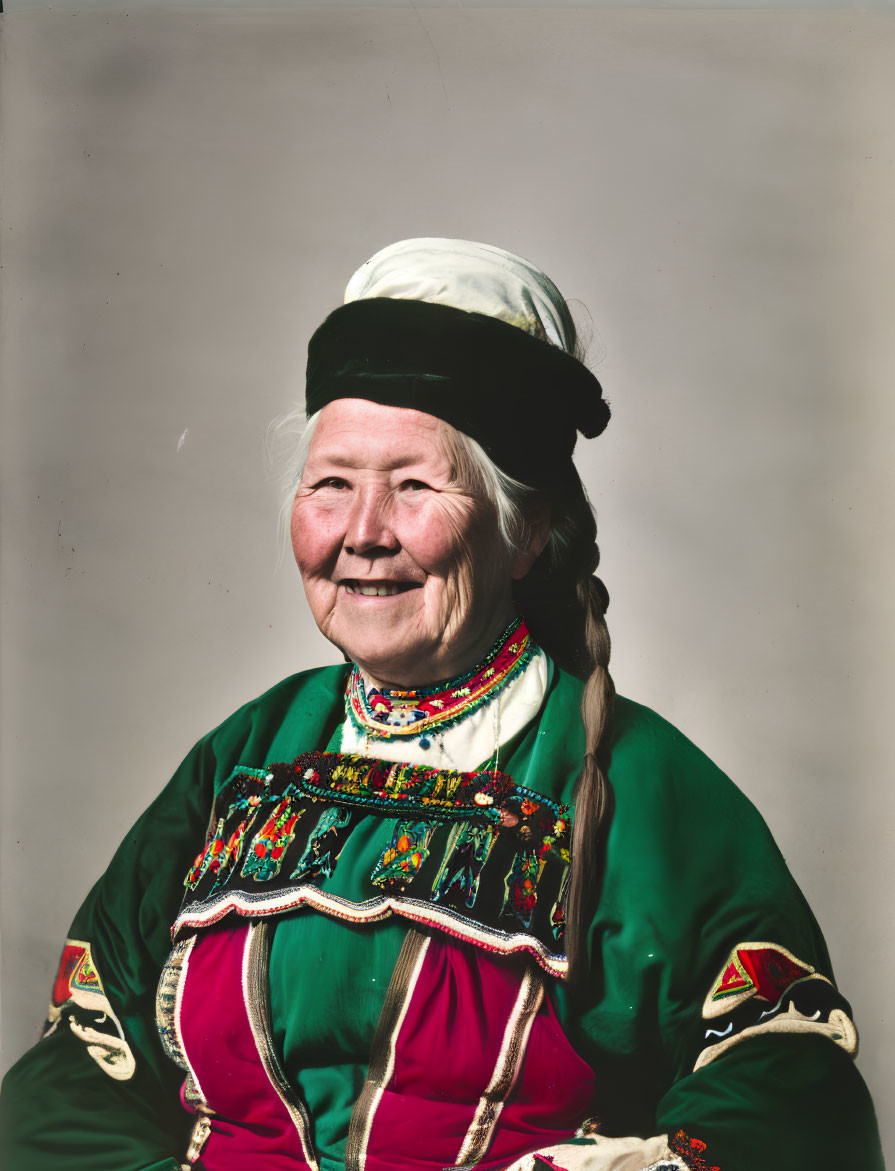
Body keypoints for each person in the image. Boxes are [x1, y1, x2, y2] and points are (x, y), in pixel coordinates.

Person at [0, 238, 883, 1171]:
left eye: (414, 487)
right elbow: (74, 1075)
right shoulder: (243, 760)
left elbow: (791, 1095)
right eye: (331, 485)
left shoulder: (635, 784)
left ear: (525, 532)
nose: (362, 534)